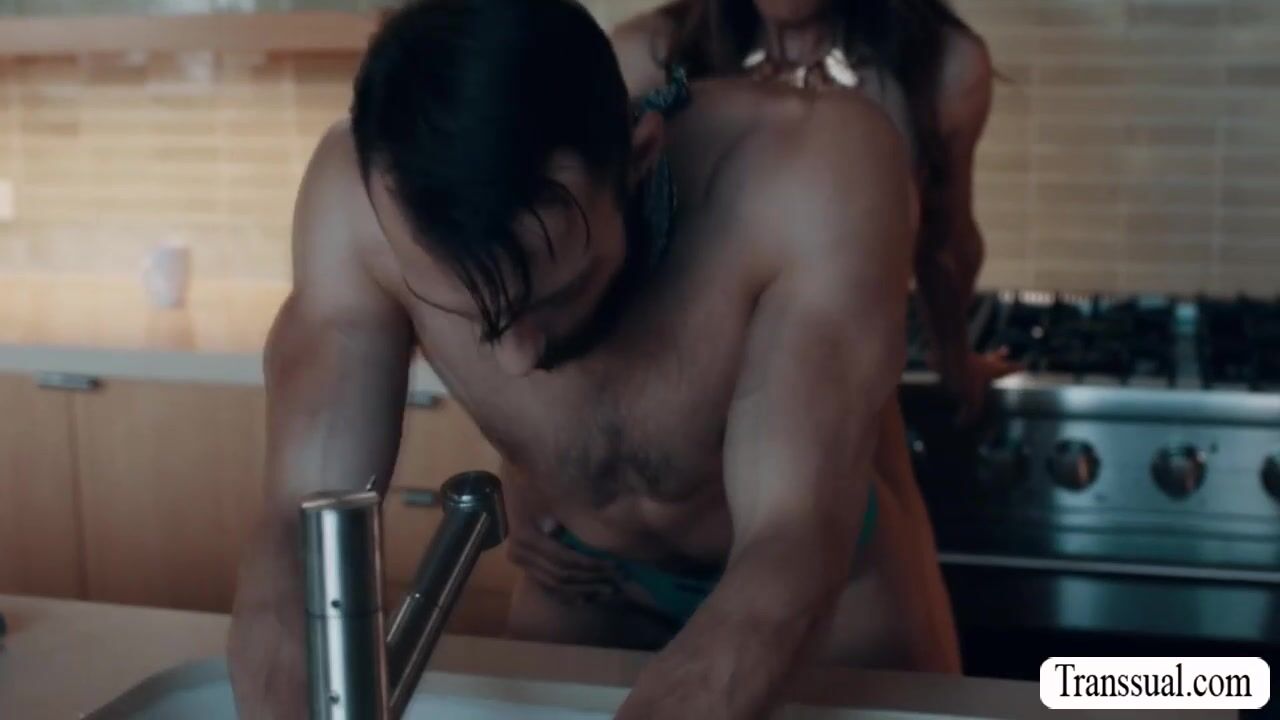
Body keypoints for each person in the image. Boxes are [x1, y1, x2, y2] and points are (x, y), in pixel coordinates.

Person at [227, 0, 959, 717]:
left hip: (822, 589)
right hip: (585, 584)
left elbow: (792, 534)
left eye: (557, 296)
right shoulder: (353, 210)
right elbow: (296, 530)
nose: (516, 359)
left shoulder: (808, 171)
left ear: (640, 156)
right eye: (468, 318)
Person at [611, 0, 1019, 427]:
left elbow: (946, 245)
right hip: (681, 409)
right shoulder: (648, 56)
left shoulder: (942, 66)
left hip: (845, 408)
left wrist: (955, 362)